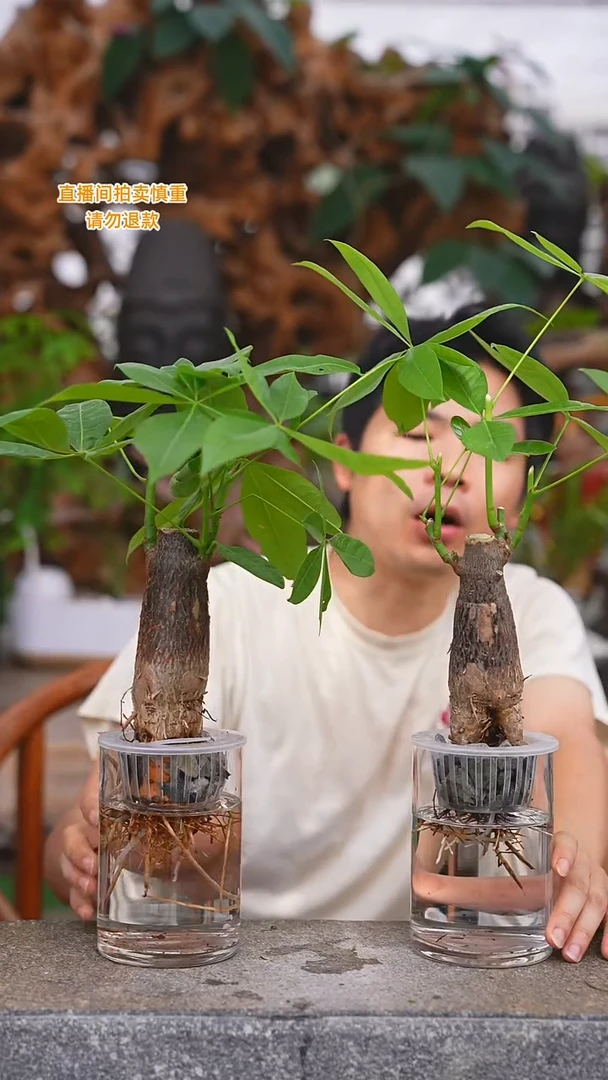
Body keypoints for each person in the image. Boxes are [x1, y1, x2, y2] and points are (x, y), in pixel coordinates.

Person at [45, 306, 608, 963]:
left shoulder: (532, 609)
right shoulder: (230, 602)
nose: (448, 467)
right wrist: (94, 850)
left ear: (527, 488)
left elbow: (565, 747)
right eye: (415, 432)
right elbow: (78, 836)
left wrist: (573, 860)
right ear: (342, 460)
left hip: (430, 968)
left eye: (488, 443)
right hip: (222, 965)